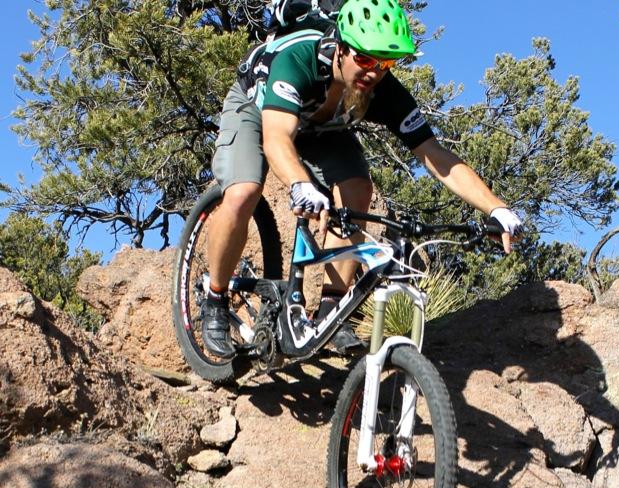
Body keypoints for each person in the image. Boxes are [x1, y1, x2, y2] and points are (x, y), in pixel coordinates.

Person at [200, 0, 523, 357]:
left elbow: (435, 155)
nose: (374, 72)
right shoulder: (298, 59)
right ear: (340, 46)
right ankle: (214, 297)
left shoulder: (382, 89)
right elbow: (276, 138)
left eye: (385, 63)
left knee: (357, 190)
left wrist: (497, 208)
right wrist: (301, 183)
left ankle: (330, 311)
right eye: (365, 59)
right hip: (258, 110)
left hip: (322, 127)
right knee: (244, 191)